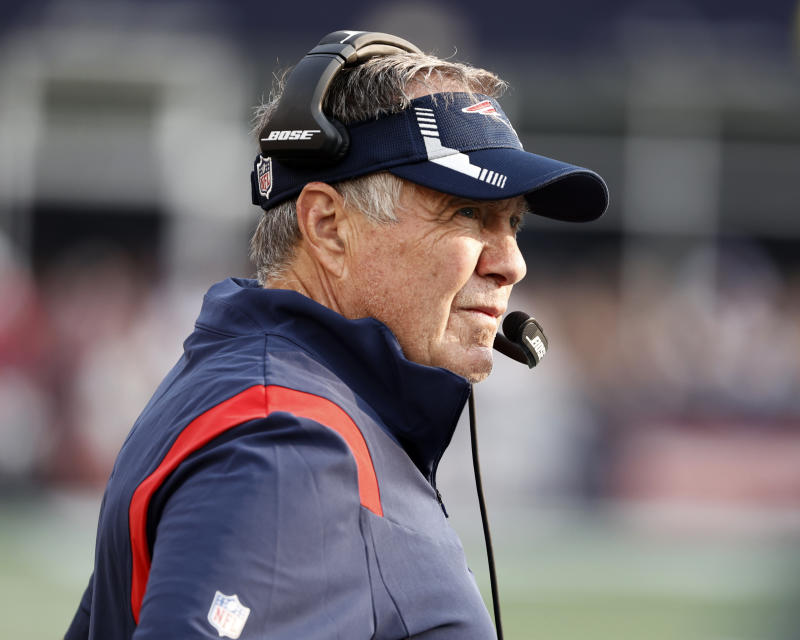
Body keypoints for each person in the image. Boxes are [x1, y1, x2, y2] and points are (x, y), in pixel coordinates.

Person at [65, 31, 607, 639]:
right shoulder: (287, 443)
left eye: (513, 223)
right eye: (467, 213)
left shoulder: (273, 398)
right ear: (326, 225)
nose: (512, 263)